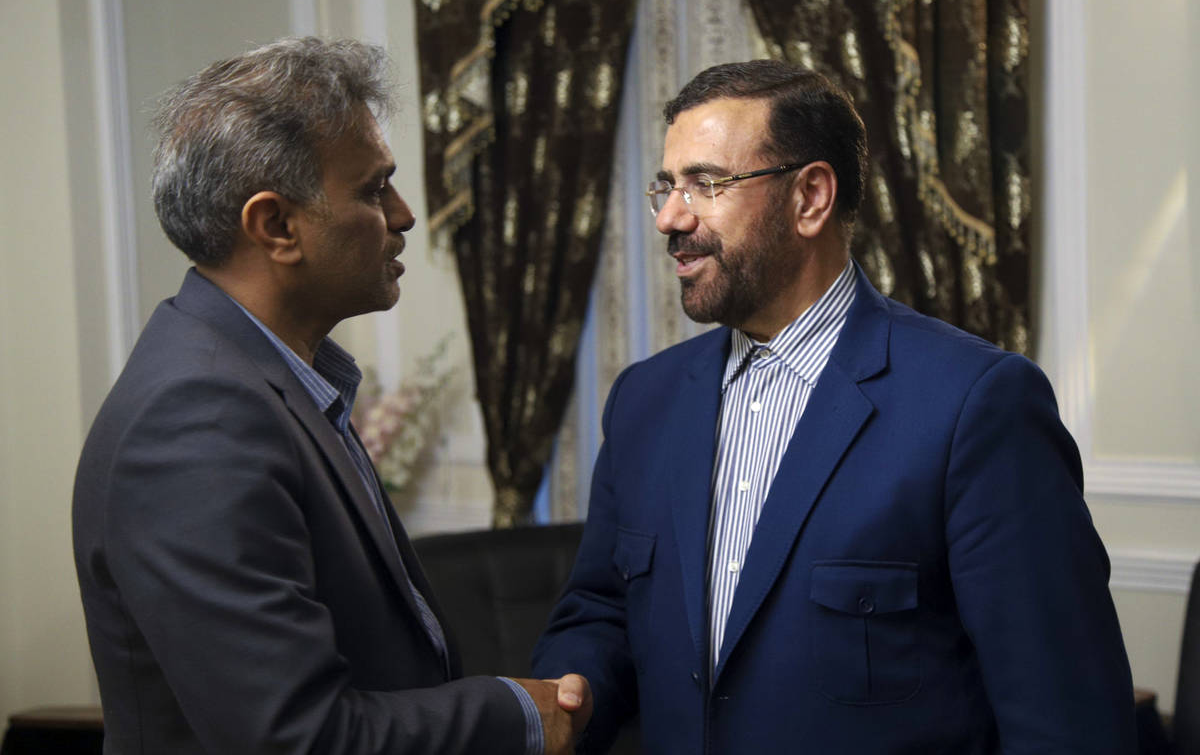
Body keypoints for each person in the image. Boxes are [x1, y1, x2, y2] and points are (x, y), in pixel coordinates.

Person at [532, 61, 1136, 753]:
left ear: (811, 197)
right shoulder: (643, 400)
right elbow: (603, 610)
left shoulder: (976, 405)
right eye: (666, 186)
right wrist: (568, 696)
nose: (671, 216)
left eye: (706, 184)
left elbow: (1066, 720)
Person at [72, 37, 589, 755]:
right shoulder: (198, 418)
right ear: (277, 226)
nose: (404, 215)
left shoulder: (265, 381)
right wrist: (520, 712)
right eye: (374, 190)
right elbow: (297, 738)